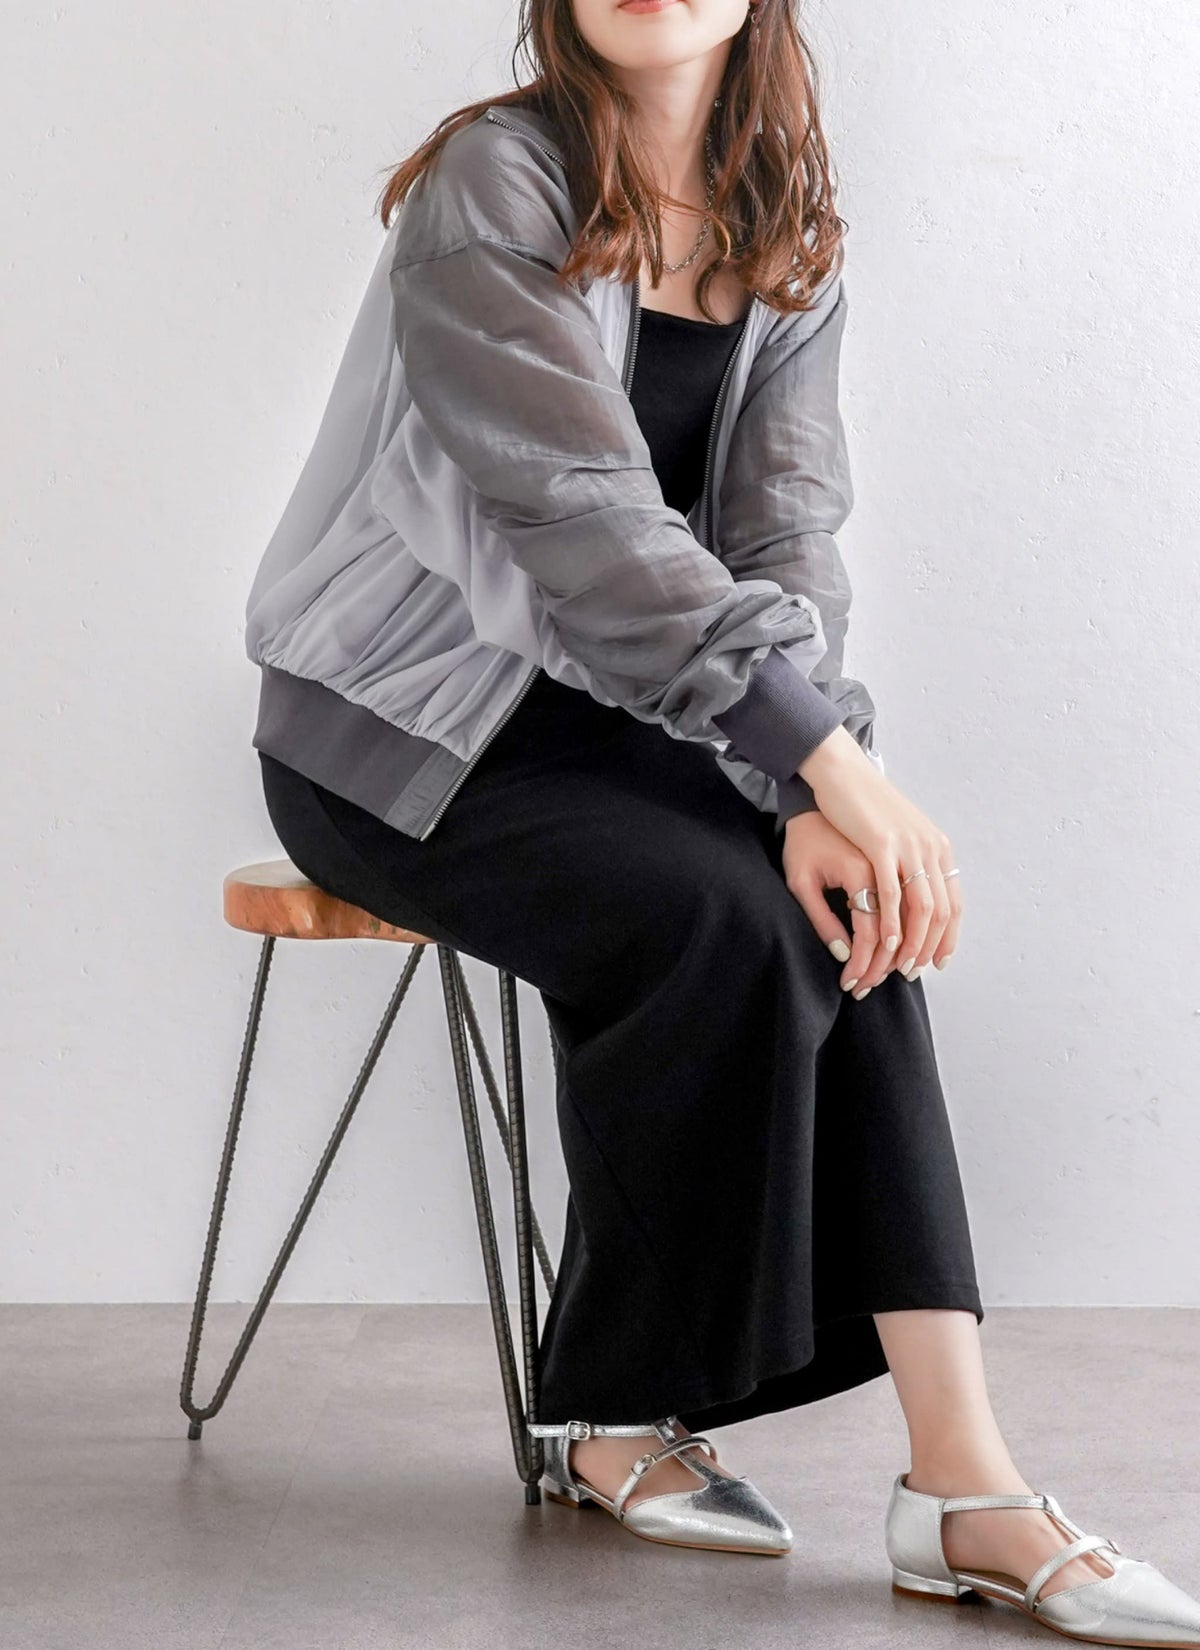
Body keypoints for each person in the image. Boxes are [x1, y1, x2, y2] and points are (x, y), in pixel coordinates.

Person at [243, 1, 1200, 1639]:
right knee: (708, 912)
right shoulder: (495, 187)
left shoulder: (784, 228)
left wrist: (816, 783)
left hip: (628, 713)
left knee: (849, 897)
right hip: (397, 737)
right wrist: (821, 762)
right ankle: (611, 1411)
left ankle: (963, 1480)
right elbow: (582, 522)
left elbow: (788, 538)